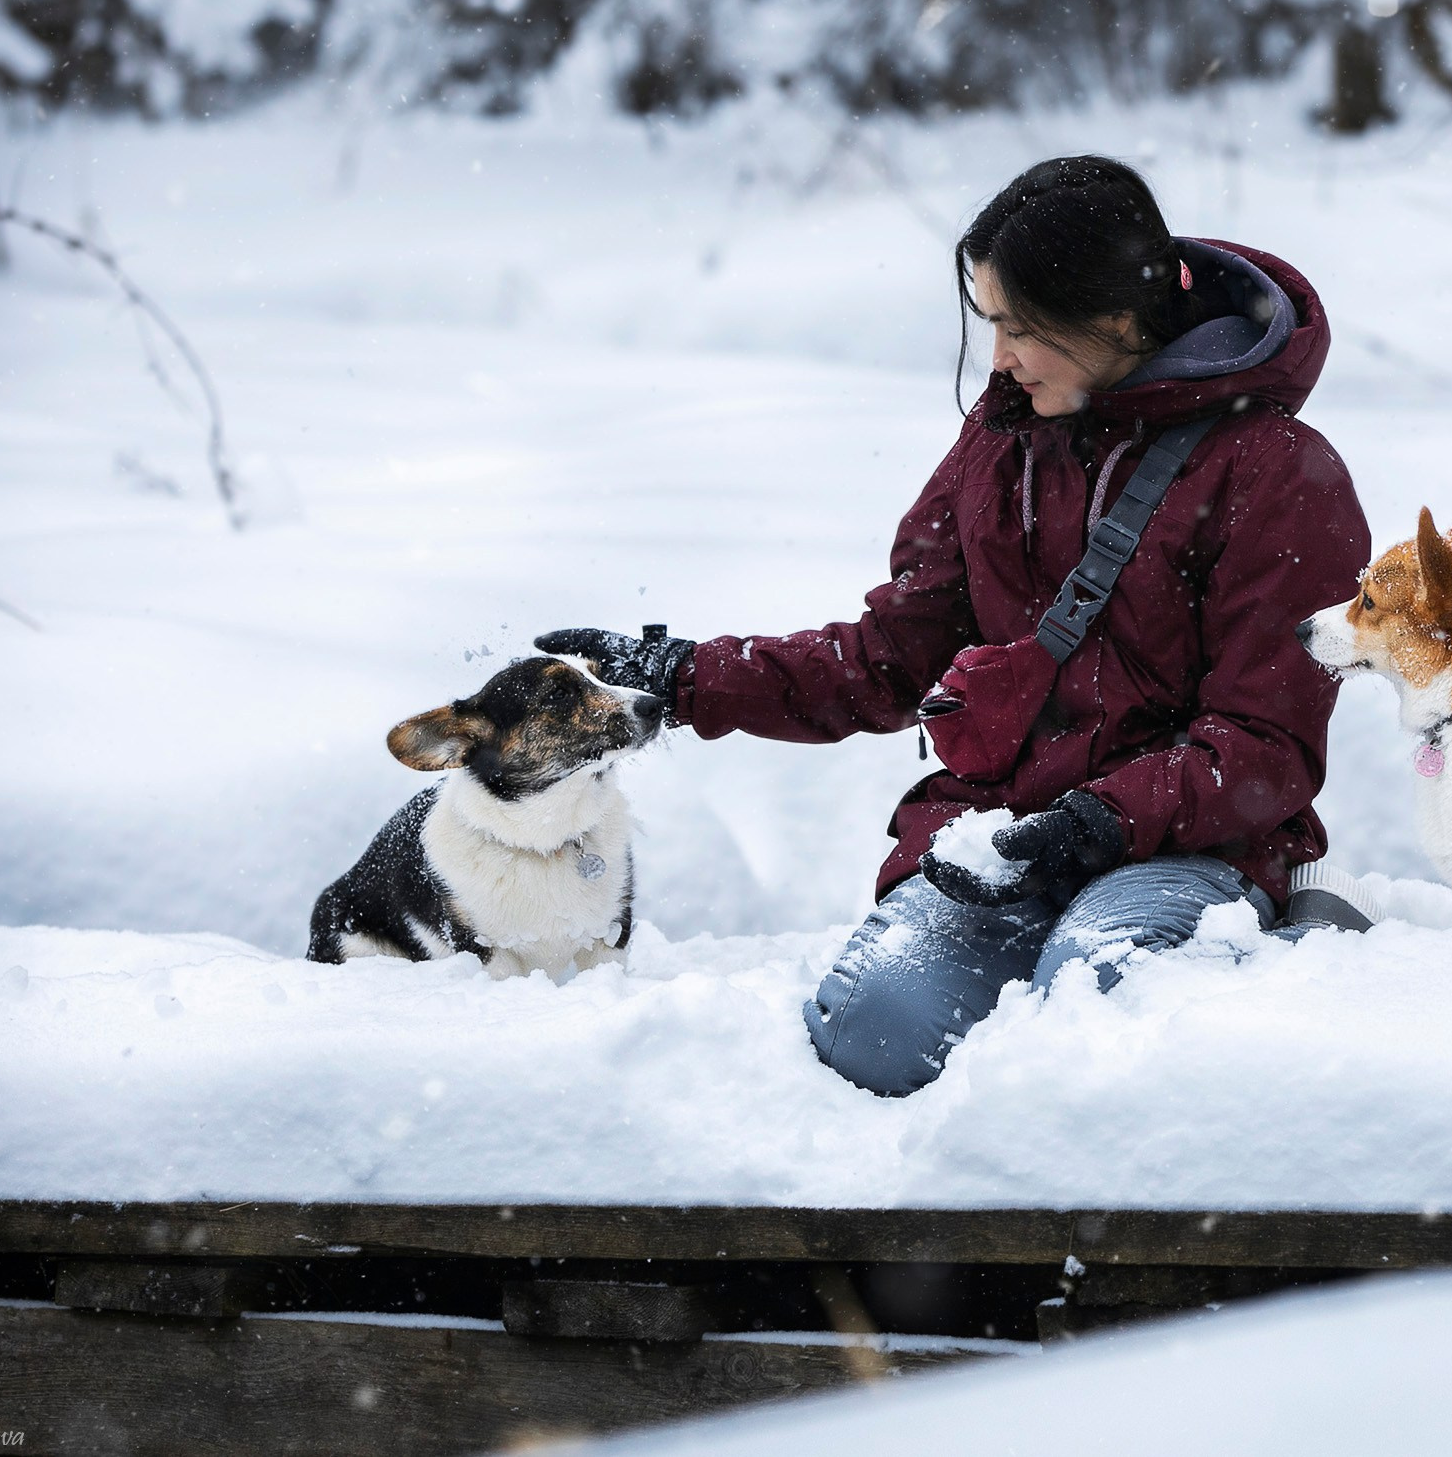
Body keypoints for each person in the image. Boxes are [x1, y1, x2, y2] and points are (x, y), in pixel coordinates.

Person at [536, 155, 1369, 1095]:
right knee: (877, 1031)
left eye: (1020, 326)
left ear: (1119, 320)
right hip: (997, 838)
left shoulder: (1282, 475)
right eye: (990, 323)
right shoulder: (1001, 437)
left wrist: (1094, 822)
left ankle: (1281, 955)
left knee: (1096, 1019)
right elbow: (895, 654)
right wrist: (691, 676)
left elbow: (1266, 746)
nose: (999, 355)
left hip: (1190, 849)